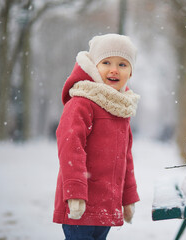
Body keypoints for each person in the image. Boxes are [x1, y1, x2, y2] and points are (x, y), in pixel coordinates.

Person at [53, 33, 140, 240]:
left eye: (122, 64)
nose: (114, 69)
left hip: (106, 206)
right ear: (93, 66)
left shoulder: (120, 109)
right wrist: (74, 193)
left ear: (130, 72)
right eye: (106, 62)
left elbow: (125, 159)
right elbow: (70, 148)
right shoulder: (82, 103)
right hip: (80, 205)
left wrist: (128, 198)